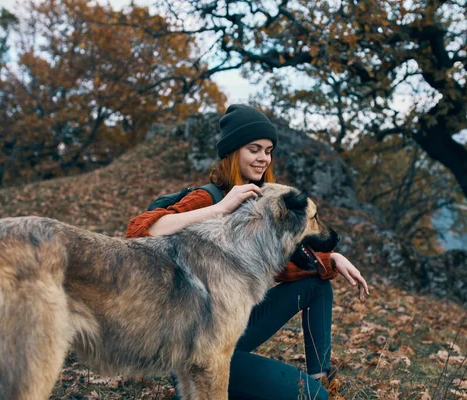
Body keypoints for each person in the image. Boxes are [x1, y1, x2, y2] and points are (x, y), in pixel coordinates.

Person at [126, 104, 369, 399]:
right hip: (198, 345)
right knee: (313, 397)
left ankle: (321, 375)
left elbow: (272, 265)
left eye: (268, 151)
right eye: (254, 149)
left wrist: (332, 261)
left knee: (316, 286)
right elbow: (138, 232)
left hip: (234, 329)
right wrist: (219, 208)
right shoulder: (210, 197)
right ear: (233, 152)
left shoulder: (263, 201)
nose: (263, 159)